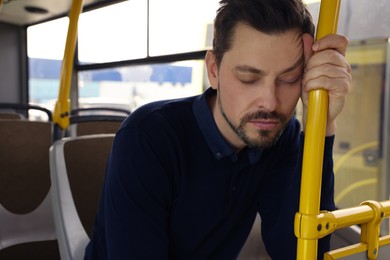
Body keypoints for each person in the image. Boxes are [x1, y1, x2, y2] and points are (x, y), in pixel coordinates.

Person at [85, 0, 351, 259]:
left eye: (289, 79)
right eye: (248, 78)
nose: (270, 102)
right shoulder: (148, 136)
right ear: (213, 70)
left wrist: (323, 122)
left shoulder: (282, 135)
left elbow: (295, 253)